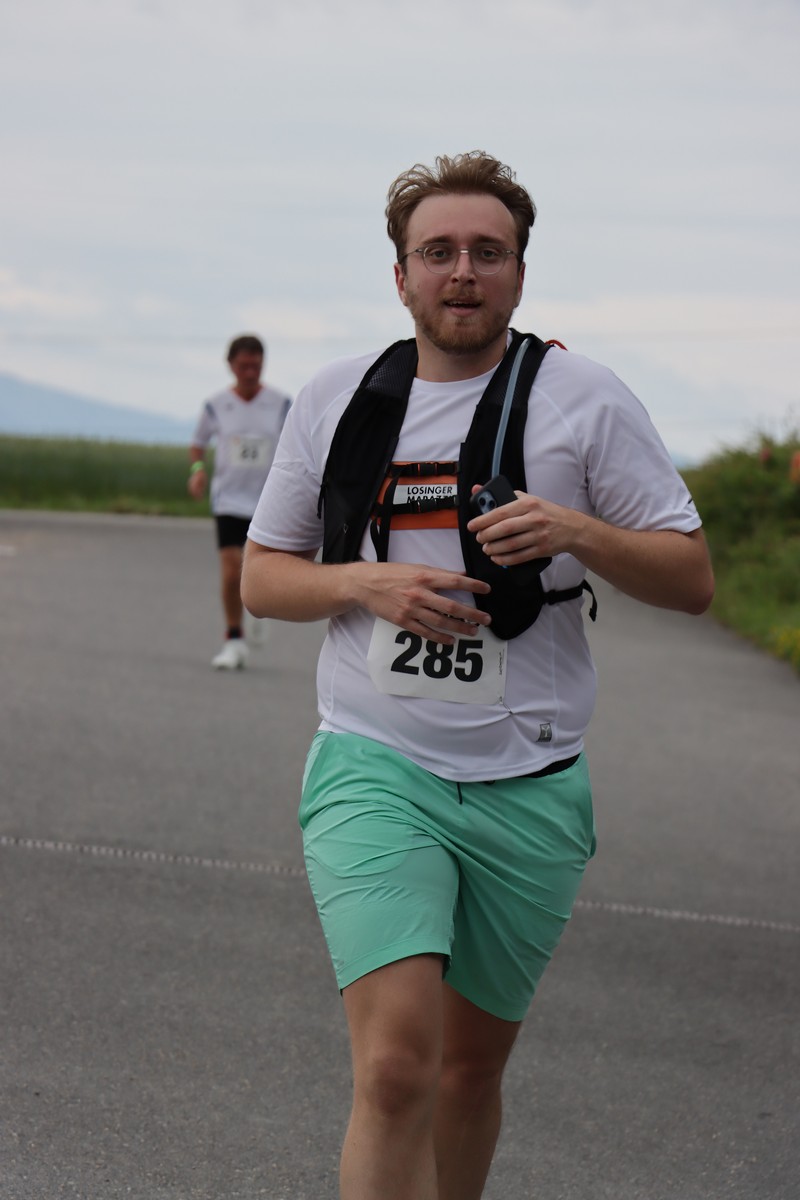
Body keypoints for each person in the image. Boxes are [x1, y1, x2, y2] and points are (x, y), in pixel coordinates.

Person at [241, 152, 715, 1199]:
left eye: (487, 252)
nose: (462, 271)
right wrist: (364, 584)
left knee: (466, 1073)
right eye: (438, 252)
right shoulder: (337, 399)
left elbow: (690, 578)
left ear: (519, 273)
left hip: (530, 779)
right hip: (376, 762)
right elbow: (264, 578)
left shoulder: (584, 400)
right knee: (396, 1070)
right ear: (401, 276)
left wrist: (576, 531)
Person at [188, 333, 291, 669]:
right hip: (229, 500)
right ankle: (234, 639)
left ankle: (260, 610)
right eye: (244, 366)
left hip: (268, 501)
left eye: (256, 366)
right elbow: (198, 444)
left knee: (267, 571)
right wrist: (198, 471)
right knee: (233, 571)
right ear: (230, 365)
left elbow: (297, 445)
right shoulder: (216, 405)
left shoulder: (281, 403)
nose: (250, 372)